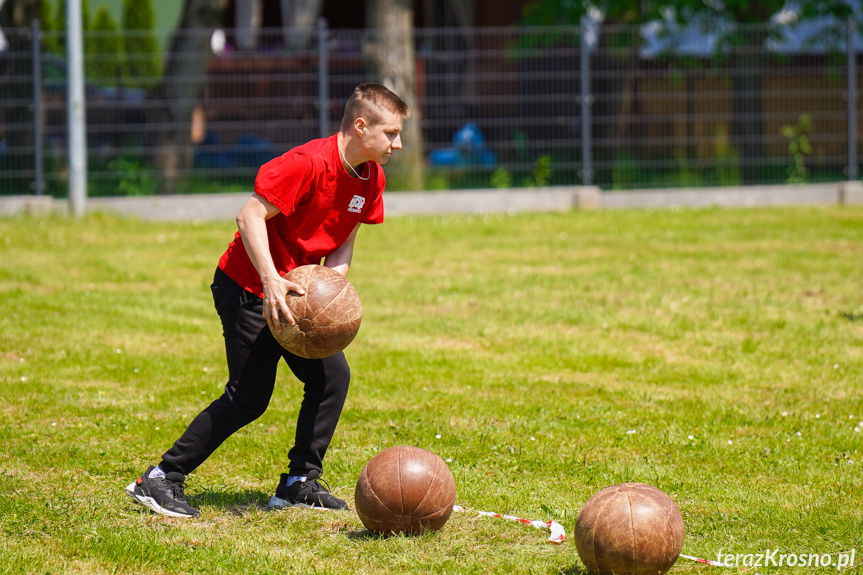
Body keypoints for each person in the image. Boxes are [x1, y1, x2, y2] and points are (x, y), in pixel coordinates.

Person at [125, 83, 409, 518]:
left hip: (295, 295)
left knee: (331, 378)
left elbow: (345, 238)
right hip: (248, 287)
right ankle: (161, 478)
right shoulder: (307, 163)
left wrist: (330, 292)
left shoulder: (371, 176)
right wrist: (272, 280)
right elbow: (249, 214)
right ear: (360, 125)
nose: (399, 143)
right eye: (390, 133)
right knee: (249, 397)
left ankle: (299, 483)